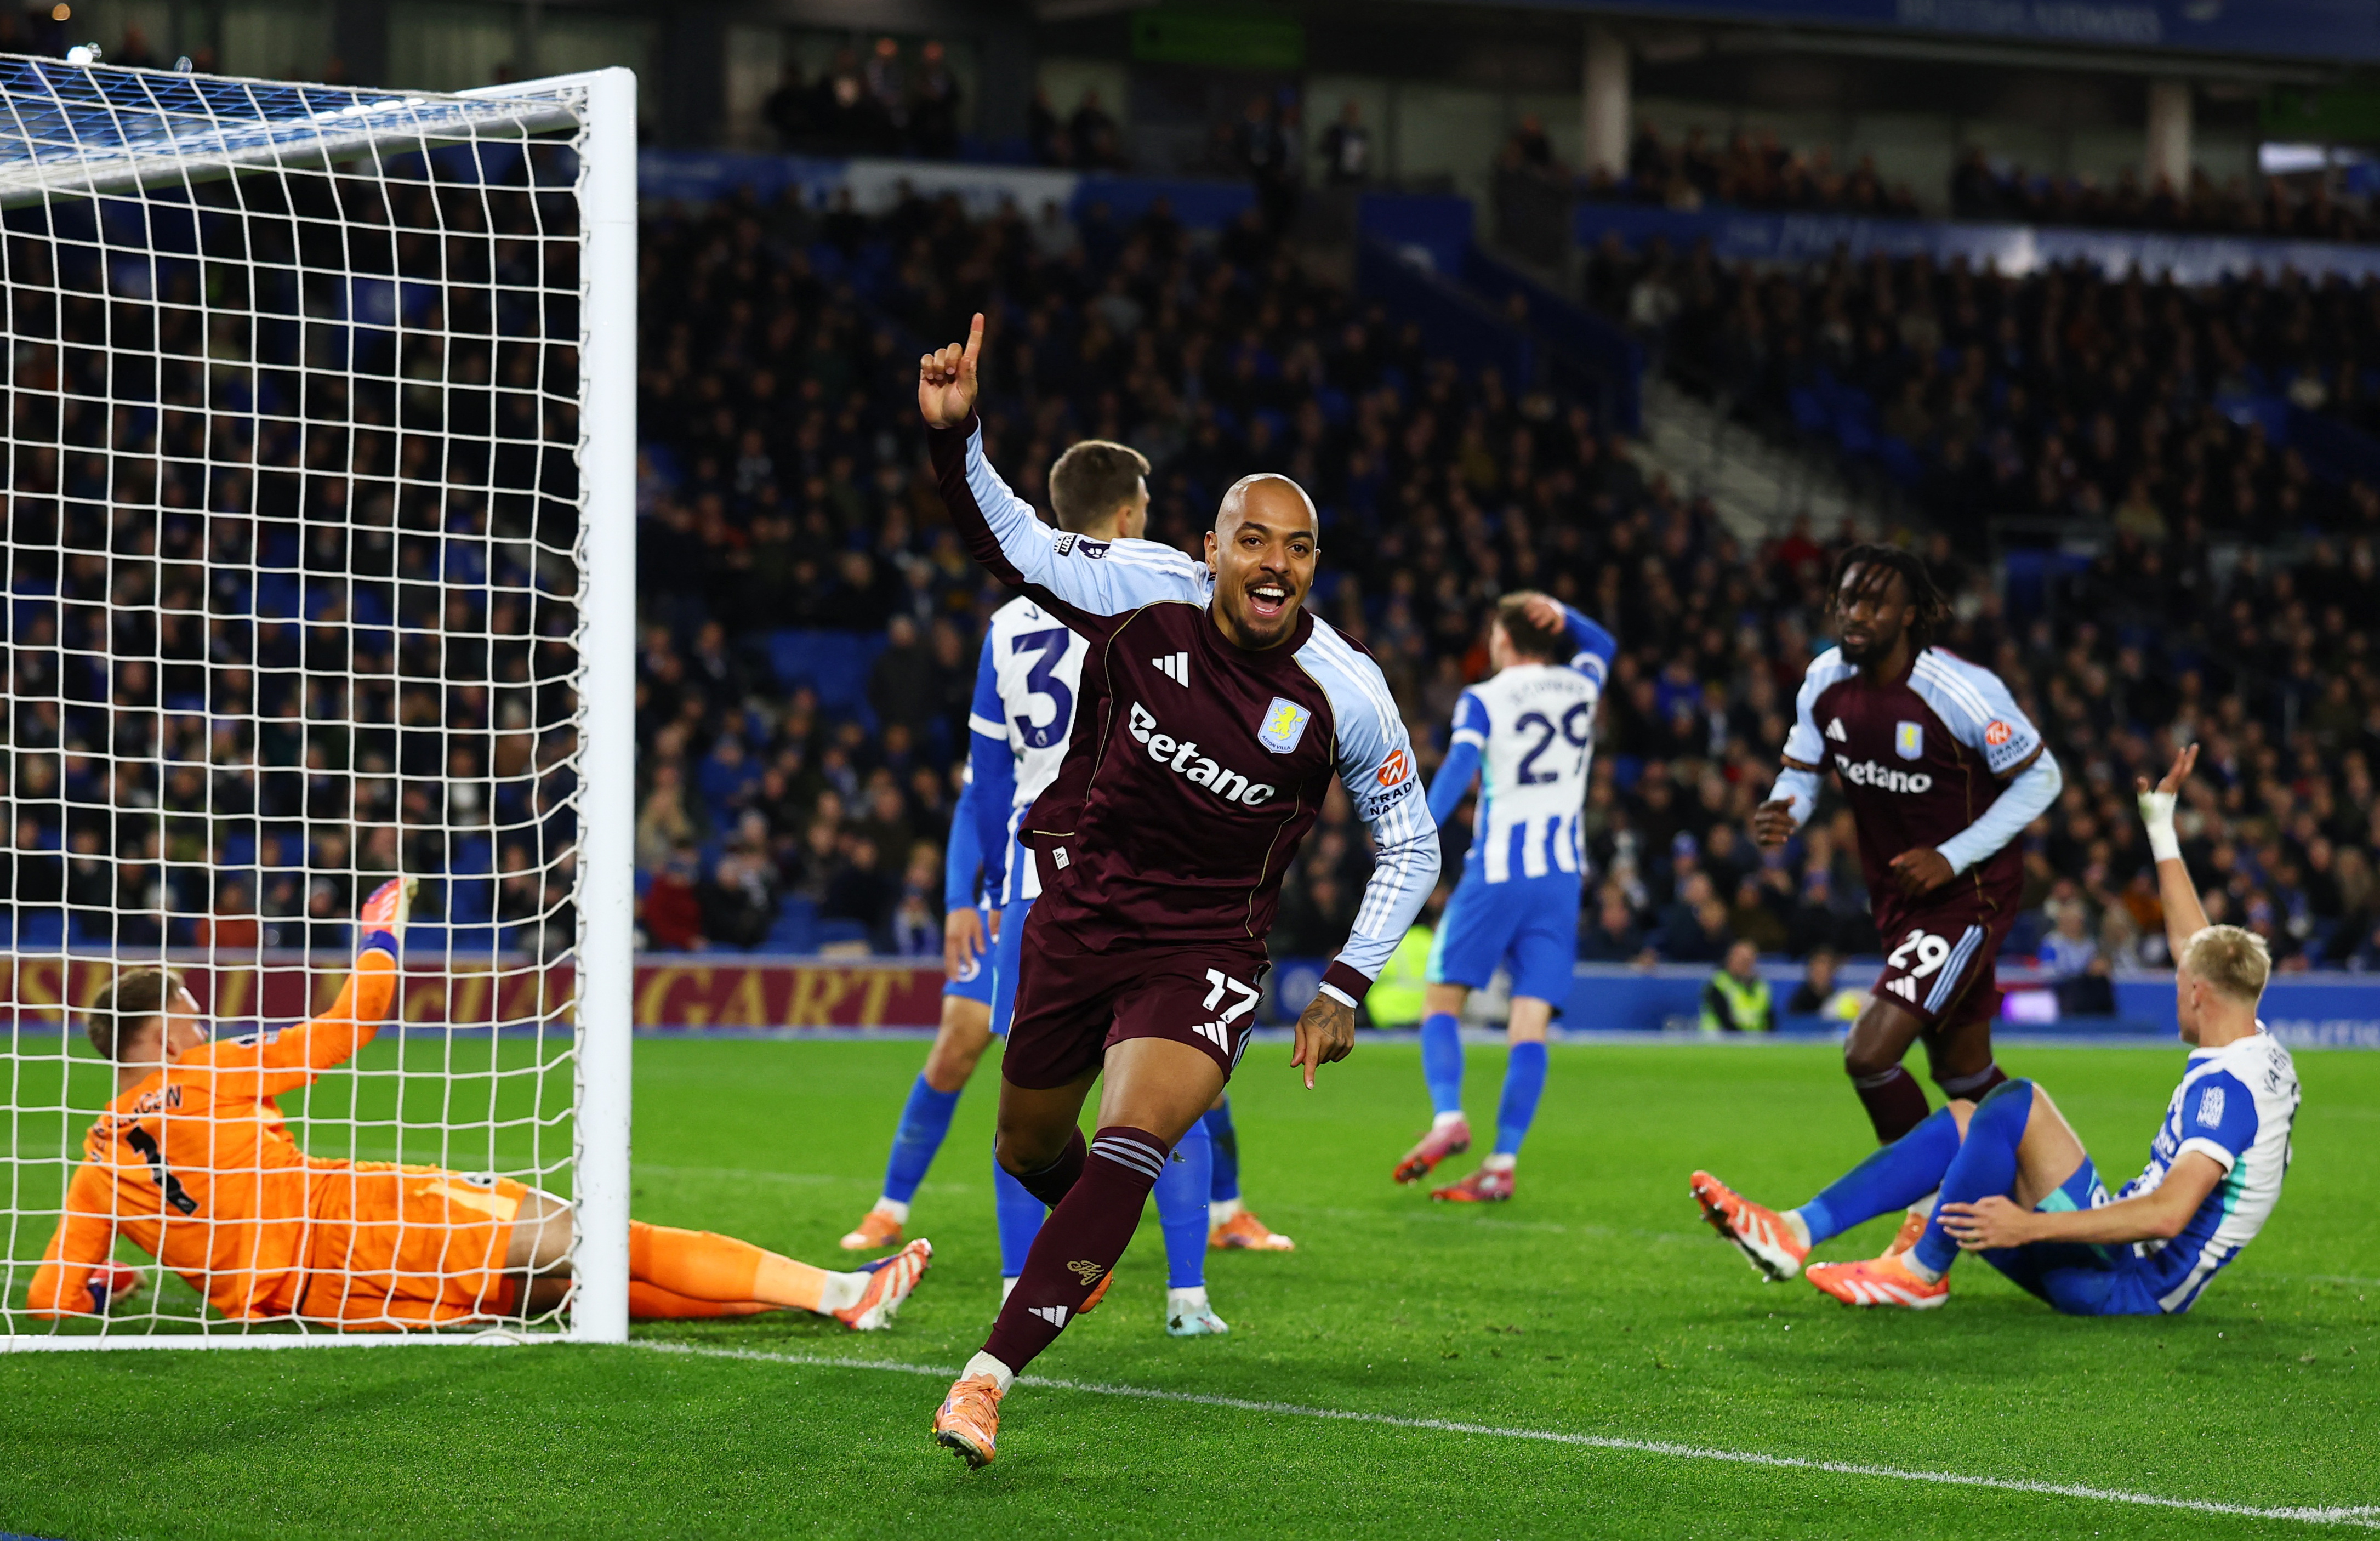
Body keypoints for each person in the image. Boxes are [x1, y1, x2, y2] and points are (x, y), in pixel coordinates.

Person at [916, 315, 1438, 1466]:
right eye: (1252, 540)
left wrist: (1345, 982)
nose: (1273, 565)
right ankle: (1080, 1251)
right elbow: (1011, 544)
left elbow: (1410, 842)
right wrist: (958, 440)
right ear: (1209, 547)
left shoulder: (1345, 689)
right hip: (1082, 909)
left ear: (1313, 564)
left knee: (1133, 1133)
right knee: (1025, 1144)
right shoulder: (1136, 593)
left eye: (1296, 550)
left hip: (1207, 942)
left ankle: (984, 1380)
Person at [31, 878, 932, 1332]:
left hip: (336, 1302)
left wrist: (107, 1283)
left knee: (570, 1282)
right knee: (595, 1234)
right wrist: (380, 931)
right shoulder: (212, 1073)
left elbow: (51, 1298)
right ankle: (841, 1293)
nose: (204, 1020)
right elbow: (354, 1022)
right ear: (153, 1040)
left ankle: (809, 1301)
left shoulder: (98, 1162)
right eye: (188, 1014)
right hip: (360, 1219)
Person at [842, 437, 1291, 1335]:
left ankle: (1021, 1281)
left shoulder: (1009, 619)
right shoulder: (1166, 581)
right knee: (1167, 1087)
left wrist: (976, 893)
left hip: (1036, 883)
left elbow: (988, 783)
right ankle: (1187, 1296)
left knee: (1025, 1097)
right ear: (1129, 510)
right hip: (1148, 870)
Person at [1692, 745, 2298, 1315]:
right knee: (1968, 1118)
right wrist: (2161, 824)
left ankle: (1922, 1270)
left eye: (2178, 982)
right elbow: (2194, 945)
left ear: (2198, 993)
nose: (2175, 986)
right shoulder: (2251, 1041)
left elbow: (2168, 1214)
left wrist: (2028, 1227)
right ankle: (1795, 1231)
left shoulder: (2227, 1093)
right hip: (2112, 1260)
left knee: (2015, 1103)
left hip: (2125, 1284)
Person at [1750, 544, 2062, 1254]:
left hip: (1967, 894)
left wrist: (1951, 854)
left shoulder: (1957, 690)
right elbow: (1800, 768)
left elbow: (2040, 778)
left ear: (1909, 614)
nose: (1854, 614)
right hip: (1898, 902)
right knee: (1964, 1072)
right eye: (1846, 598)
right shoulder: (1823, 681)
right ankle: (2057, 1204)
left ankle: (1925, 1214)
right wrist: (1783, 806)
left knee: (1869, 1052)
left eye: (1873, 602)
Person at [1394, 592, 1614, 1201]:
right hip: (1561, 879)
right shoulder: (1579, 686)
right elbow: (1603, 645)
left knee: (1441, 1002)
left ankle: (1448, 1118)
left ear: (1503, 640)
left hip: (1496, 871)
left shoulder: (1484, 698)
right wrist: (1565, 612)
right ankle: (1502, 1162)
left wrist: (1419, 830)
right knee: (1529, 1024)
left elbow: (1460, 767)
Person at [1700, 938, 1773, 1033]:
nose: (1744, 964)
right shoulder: (1718, 984)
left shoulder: (1761, 986)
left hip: (1755, 1042)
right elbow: (1724, 1019)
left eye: (1748, 960)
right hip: (1720, 1041)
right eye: (1741, 959)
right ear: (1730, 959)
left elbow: (1769, 1018)